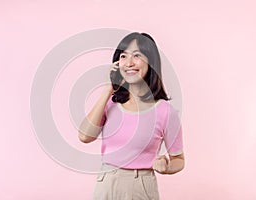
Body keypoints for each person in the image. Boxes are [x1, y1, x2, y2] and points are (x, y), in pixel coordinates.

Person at [78, 32, 185, 200]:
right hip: (106, 183)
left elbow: (179, 159)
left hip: (140, 186)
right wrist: (108, 89)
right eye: (123, 56)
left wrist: (167, 167)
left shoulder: (165, 111)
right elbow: (84, 136)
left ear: (151, 62)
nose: (129, 63)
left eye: (137, 56)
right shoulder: (110, 102)